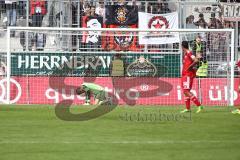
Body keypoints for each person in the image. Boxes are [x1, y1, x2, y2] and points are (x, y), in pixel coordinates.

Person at [180, 41, 203, 113]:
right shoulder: (185, 54)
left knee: (186, 91)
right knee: (186, 91)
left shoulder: (189, 53)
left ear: (182, 47)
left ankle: (199, 105)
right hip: (185, 75)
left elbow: (196, 60)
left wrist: (190, 67)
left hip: (188, 75)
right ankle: (188, 108)